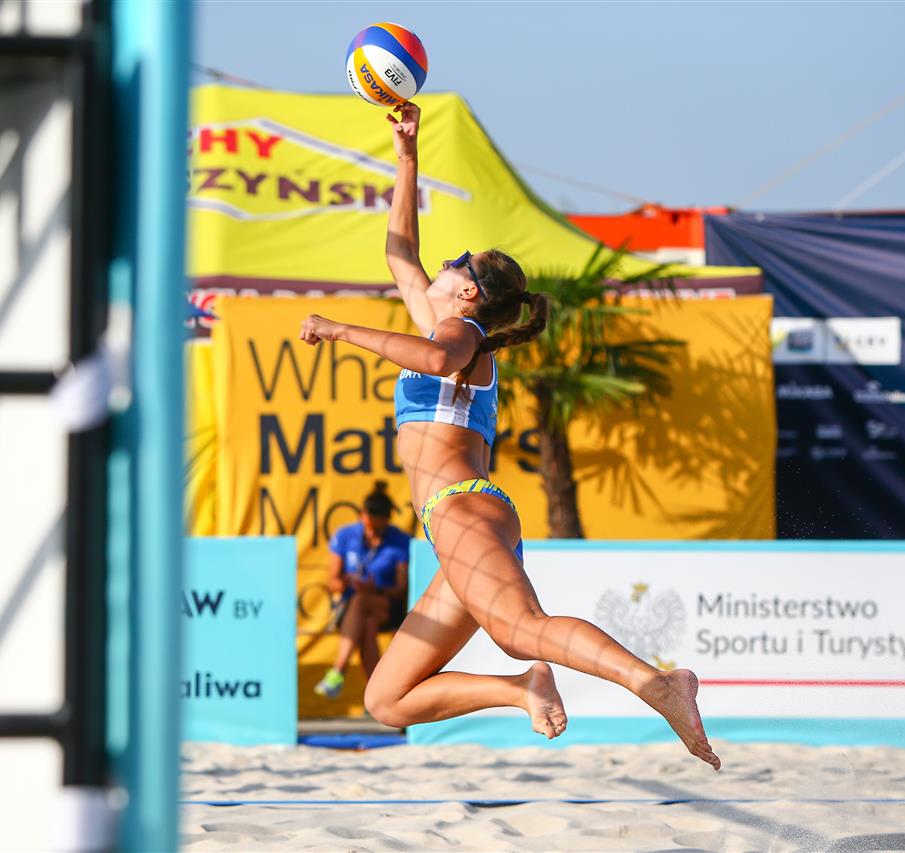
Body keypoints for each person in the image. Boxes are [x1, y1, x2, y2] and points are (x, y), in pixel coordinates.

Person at [297, 102, 719, 769]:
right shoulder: (447, 322)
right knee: (388, 698)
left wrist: (340, 329)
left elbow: (433, 358)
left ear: (469, 294)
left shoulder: (459, 334)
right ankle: (520, 687)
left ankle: (657, 683)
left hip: (463, 508)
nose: (444, 261)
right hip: (457, 519)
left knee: (522, 630)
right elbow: (399, 252)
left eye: (458, 262)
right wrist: (406, 155)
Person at [314, 482, 412, 700]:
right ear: (361, 516)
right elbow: (332, 582)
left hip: (386, 605)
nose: (372, 533)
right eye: (369, 526)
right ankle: (378, 696)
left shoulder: (400, 542)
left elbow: (401, 590)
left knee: (362, 601)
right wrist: (345, 583)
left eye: (377, 529)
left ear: (387, 521)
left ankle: (339, 670)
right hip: (354, 610)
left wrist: (374, 588)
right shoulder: (345, 535)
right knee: (366, 624)